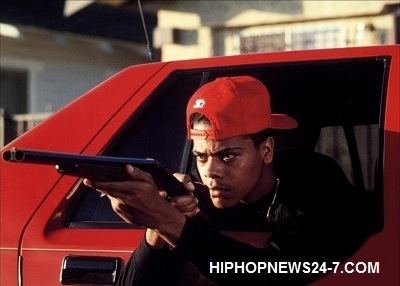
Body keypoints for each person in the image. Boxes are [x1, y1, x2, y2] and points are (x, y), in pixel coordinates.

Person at [84, 76, 370, 285]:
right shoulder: (194, 192)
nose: (211, 172)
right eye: (201, 156)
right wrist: (157, 226)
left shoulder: (313, 182)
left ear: (266, 150)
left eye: (228, 156)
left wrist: (167, 221)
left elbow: (278, 274)